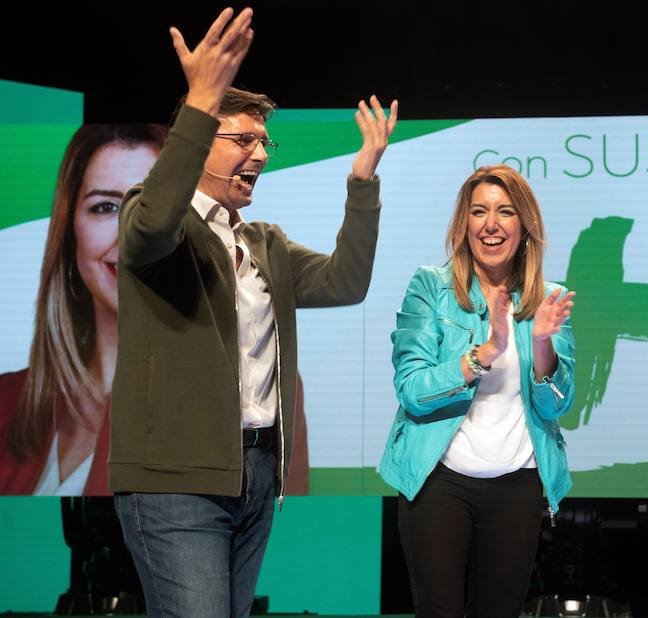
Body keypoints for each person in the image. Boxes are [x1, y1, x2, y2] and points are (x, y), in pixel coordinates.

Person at [109, 7, 397, 617]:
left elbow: (346, 283)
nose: (261, 154)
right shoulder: (155, 218)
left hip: (256, 475)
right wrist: (201, 99)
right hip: (176, 483)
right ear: (197, 144)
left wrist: (363, 180)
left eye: (265, 141)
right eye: (243, 140)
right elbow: (154, 224)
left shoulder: (263, 241)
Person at [379, 164, 576, 617]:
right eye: (479, 212)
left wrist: (542, 341)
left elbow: (557, 402)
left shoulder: (549, 297)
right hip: (438, 482)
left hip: (518, 486)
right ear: (463, 225)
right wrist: (483, 354)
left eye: (505, 212)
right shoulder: (431, 287)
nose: (491, 224)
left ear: (523, 226)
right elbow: (411, 389)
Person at [0, 124, 165, 495]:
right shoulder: (5, 401)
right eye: (106, 207)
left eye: (152, 207)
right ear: (71, 230)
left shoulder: (237, 402)